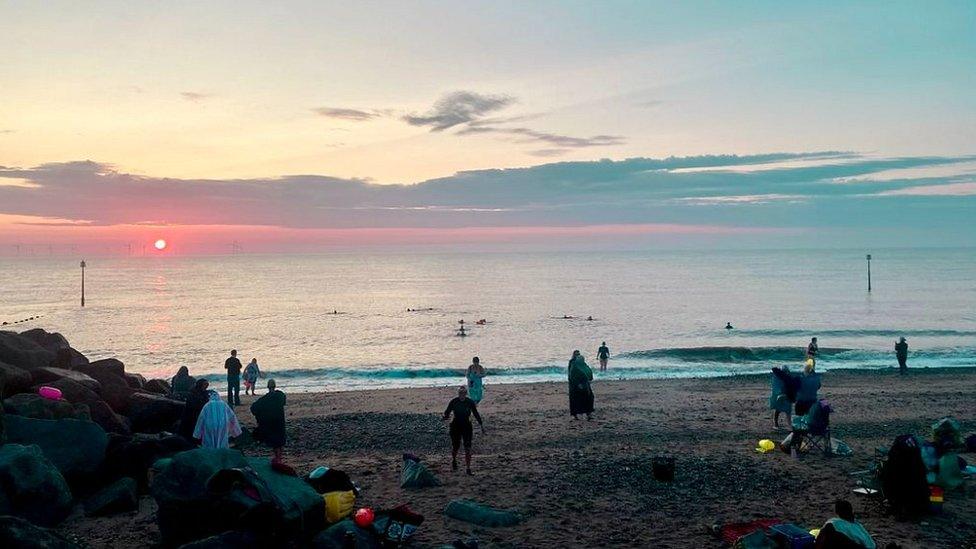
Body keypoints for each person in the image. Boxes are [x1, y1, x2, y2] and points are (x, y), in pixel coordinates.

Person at [442, 386, 484, 475]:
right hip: (455, 425)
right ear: (458, 393)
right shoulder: (454, 401)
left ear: (466, 393)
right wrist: (445, 417)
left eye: (463, 393)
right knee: (456, 446)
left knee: (467, 447)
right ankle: (454, 459)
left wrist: (481, 424)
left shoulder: (469, 402)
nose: (462, 394)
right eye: (460, 393)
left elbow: (475, 413)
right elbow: (447, 412)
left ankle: (468, 468)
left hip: (467, 426)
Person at [251, 379, 287, 464]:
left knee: (275, 442)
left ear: (267, 387)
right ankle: (279, 458)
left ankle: (278, 459)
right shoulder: (280, 396)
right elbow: (284, 401)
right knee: (280, 442)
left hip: (269, 423)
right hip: (279, 422)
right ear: (275, 386)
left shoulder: (263, 400)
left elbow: (253, 409)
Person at [568, 350, 594, 420]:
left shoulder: (582, 363)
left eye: (578, 354)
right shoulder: (572, 363)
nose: (577, 355)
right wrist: (577, 384)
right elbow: (571, 375)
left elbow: (588, 371)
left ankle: (588, 413)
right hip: (574, 385)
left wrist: (589, 380)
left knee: (589, 398)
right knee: (575, 400)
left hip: (585, 384)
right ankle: (575, 415)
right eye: (576, 354)